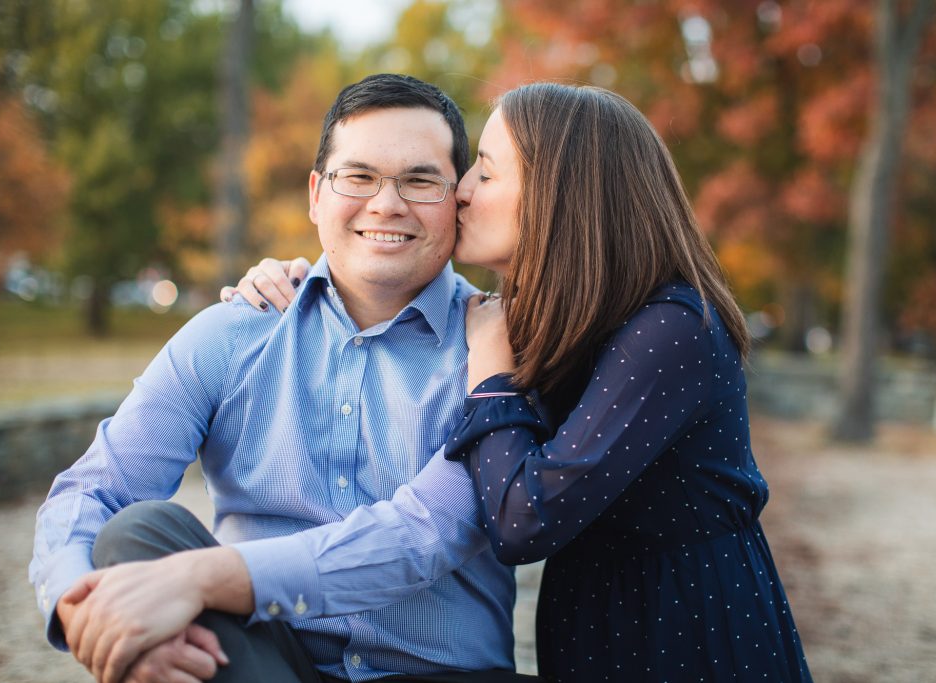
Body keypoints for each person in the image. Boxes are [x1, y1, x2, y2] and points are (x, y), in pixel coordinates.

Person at [233, 83, 813, 682]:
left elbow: (524, 517)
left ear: (558, 197)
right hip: (593, 627)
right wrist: (299, 282)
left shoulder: (671, 330)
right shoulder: (557, 319)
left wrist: (491, 372)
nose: (459, 190)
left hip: (685, 634)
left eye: (484, 172)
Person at [30, 74, 540, 683]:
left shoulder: (498, 348)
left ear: (457, 199)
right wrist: (75, 604)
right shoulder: (232, 334)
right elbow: (94, 490)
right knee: (137, 532)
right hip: (259, 661)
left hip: (440, 671)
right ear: (316, 195)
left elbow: (425, 536)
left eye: (419, 179)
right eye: (359, 176)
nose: (386, 203)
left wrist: (198, 580)